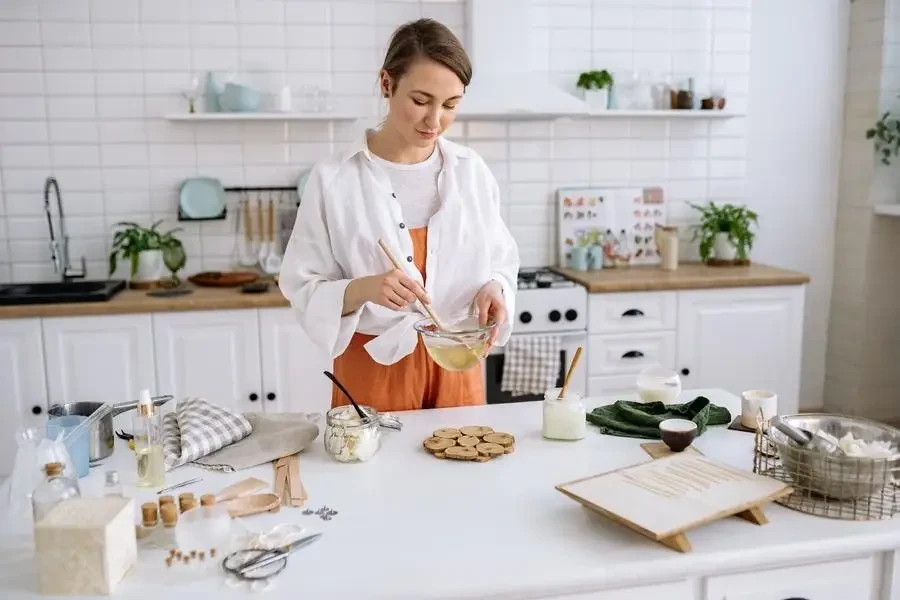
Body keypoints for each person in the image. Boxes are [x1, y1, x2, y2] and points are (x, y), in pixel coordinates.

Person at [278, 18, 519, 413]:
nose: (435, 120)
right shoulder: (335, 179)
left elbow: (502, 263)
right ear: (387, 84)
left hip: (456, 361)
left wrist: (495, 287)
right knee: (373, 473)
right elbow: (302, 286)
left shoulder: (471, 172)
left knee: (464, 466)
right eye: (421, 101)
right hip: (374, 368)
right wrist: (367, 288)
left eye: (451, 104)